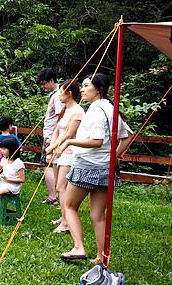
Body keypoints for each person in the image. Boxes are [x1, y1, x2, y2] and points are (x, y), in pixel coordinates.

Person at [57, 74, 134, 263]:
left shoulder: (95, 110)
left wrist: (69, 140)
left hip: (87, 166)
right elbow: (128, 136)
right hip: (105, 168)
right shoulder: (111, 108)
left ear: (98, 89)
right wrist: (113, 156)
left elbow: (97, 141)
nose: (82, 89)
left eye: (85, 86)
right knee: (98, 215)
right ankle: (101, 256)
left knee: (69, 206)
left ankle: (78, 247)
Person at [44, 80, 84, 233]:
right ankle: (64, 216)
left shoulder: (78, 111)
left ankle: (66, 222)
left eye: (61, 92)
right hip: (58, 151)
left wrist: (53, 148)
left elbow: (68, 134)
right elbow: (56, 130)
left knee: (62, 187)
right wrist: (52, 147)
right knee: (59, 187)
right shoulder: (65, 109)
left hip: (70, 152)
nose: (59, 95)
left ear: (70, 93)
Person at [37, 68, 65, 206]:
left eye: (44, 83)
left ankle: (53, 196)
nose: (43, 86)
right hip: (50, 135)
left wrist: (52, 138)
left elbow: (61, 118)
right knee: (49, 164)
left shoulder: (59, 95)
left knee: (47, 164)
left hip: (52, 136)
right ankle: (56, 196)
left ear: (52, 80)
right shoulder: (54, 94)